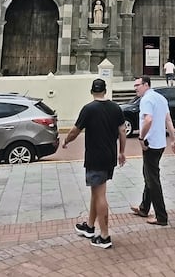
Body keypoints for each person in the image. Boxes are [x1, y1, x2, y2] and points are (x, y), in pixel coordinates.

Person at [63, 78, 126, 249]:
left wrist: (66, 141)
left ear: (92, 92)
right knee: (96, 191)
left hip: (95, 157)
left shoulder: (88, 109)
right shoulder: (115, 107)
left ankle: (105, 236)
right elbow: (122, 131)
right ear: (105, 91)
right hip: (110, 156)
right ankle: (90, 227)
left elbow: (76, 130)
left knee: (100, 195)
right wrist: (121, 152)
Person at [130, 76, 175, 226]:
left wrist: (141, 137)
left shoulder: (146, 100)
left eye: (137, 85)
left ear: (146, 84)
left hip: (150, 144)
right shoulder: (161, 98)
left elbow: (148, 119)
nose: (135, 88)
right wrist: (173, 139)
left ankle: (161, 216)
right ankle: (144, 207)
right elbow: (168, 120)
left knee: (153, 180)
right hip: (160, 143)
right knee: (149, 175)